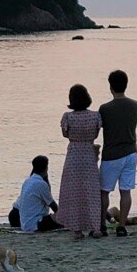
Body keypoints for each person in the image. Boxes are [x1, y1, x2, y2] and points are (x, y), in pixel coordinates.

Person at [56, 84, 102, 239]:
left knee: (74, 192)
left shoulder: (68, 117)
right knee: (91, 192)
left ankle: (76, 229)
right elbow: (96, 133)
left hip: (74, 155)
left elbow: (65, 133)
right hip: (89, 154)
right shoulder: (95, 116)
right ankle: (95, 227)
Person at [99, 70, 137, 235]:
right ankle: (122, 225)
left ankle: (102, 224)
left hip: (112, 154)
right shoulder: (134, 105)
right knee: (126, 191)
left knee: (104, 191)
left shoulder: (105, 109)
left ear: (110, 86)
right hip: (131, 151)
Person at [12, 156, 62, 233]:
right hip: (36, 224)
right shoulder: (41, 184)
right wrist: (61, 214)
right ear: (46, 168)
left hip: (25, 224)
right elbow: (52, 205)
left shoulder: (27, 181)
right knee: (62, 217)